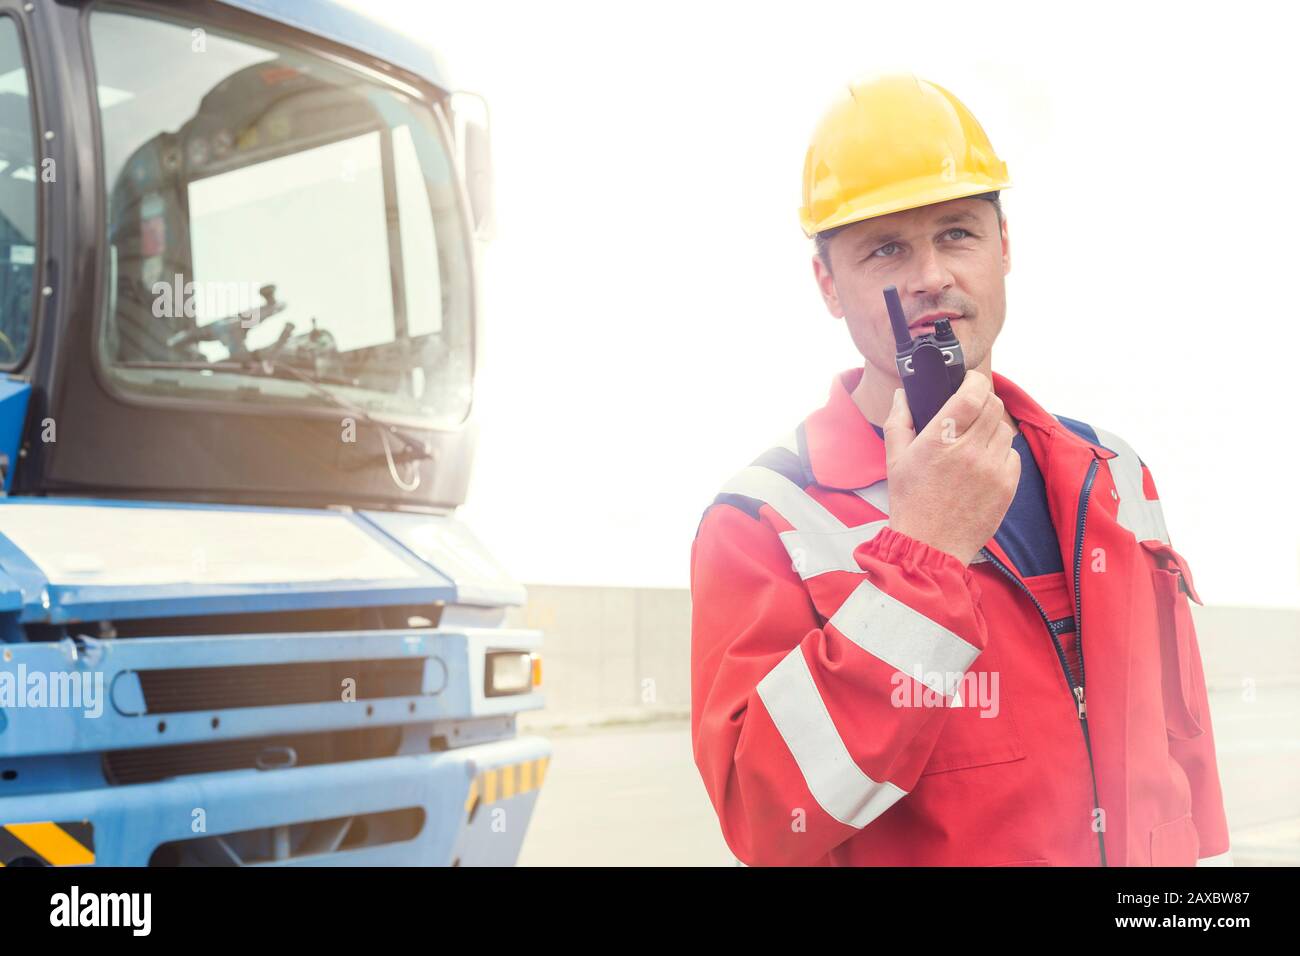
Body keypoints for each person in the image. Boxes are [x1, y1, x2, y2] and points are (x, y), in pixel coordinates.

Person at [688, 72, 1231, 867]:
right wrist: (923, 556)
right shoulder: (765, 520)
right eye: (885, 248)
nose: (930, 276)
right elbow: (766, 818)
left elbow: (1183, 762)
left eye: (957, 233)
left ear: (1004, 248)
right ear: (828, 286)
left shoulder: (1112, 471)